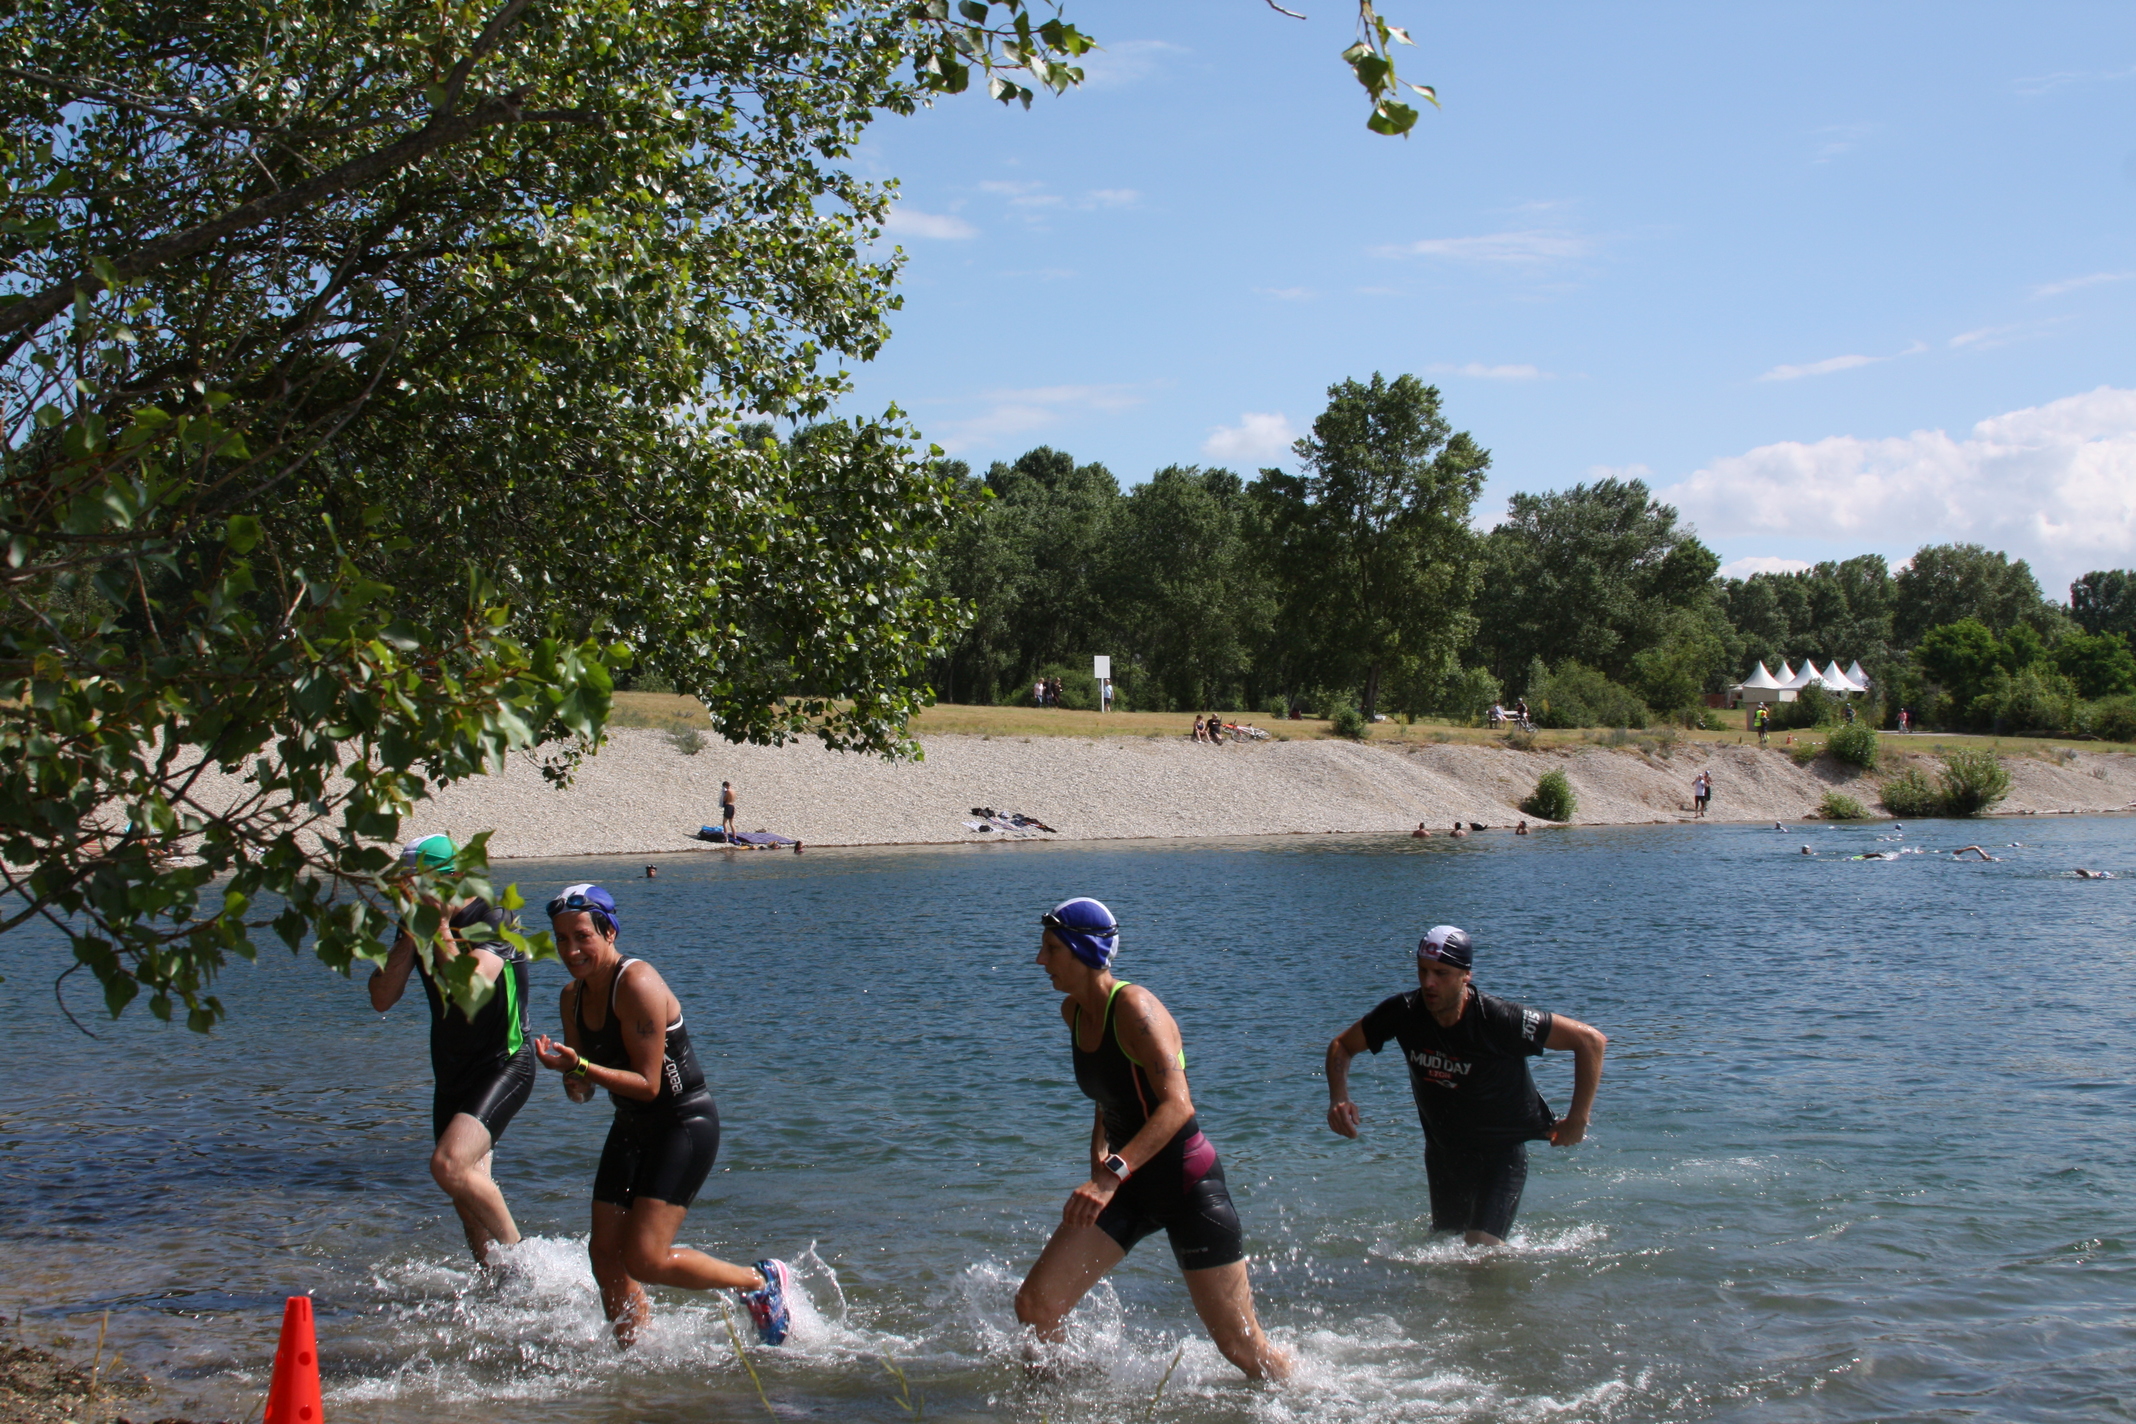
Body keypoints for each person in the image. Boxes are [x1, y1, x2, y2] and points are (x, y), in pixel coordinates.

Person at [1014, 898, 1290, 1380]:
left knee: (1243, 1350)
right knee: (1036, 1306)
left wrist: (1109, 1175)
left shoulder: (1136, 1008)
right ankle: (1070, 1401)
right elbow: (1112, 1089)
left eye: (1051, 949)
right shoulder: (1073, 1012)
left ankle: (1306, 1398)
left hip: (1186, 1184)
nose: (1040, 960)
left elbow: (1178, 1106)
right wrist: (1100, 1152)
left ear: (1084, 950)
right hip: (1126, 1183)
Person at [530, 883, 792, 1348]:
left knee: (645, 1259)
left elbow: (650, 1085)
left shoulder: (637, 982)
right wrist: (570, 1078)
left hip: (681, 1124)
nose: (571, 950)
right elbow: (584, 1090)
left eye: (582, 936)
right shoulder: (572, 997)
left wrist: (581, 1066)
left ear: (609, 933)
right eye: (561, 939)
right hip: (631, 1125)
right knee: (604, 1254)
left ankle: (759, 1281)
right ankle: (634, 1352)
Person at [1324, 926, 1605, 1246]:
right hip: (1444, 1153)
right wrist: (1338, 1098)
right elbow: (1342, 1046)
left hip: (1499, 1155)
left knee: (1479, 1249)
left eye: (1441, 973)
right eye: (1423, 971)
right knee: (1444, 1248)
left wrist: (1577, 1119)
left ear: (1465, 975)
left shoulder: (1499, 1019)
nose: (1429, 983)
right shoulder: (1403, 1012)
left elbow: (1590, 1041)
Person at [367, 833, 535, 1266]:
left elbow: (470, 989)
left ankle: (525, 1265)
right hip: (452, 1071)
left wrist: (440, 928)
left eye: (421, 884)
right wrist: (411, 934)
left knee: (449, 1165)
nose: (413, 894)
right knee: (465, 1191)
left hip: (504, 1064)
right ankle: (495, 1283)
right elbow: (382, 998)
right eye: (407, 886)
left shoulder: (496, 917)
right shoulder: (414, 924)